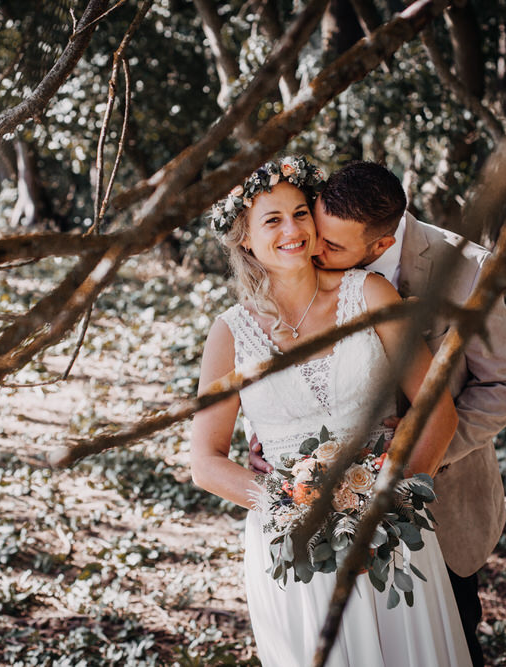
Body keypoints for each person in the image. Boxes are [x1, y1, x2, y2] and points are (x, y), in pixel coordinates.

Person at [190, 156, 472, 666]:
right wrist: (290, 509)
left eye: (300, 213)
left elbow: (438, 412)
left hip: (391, 529)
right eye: (272, 219)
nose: (293, 229)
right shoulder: (229, 334)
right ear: (245, 238)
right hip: (292, 546)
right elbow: (205, 461)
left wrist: (390, 504)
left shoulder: (371, 294)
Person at [249, 161, 506, 666]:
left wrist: (421, 452)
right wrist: (270, 431)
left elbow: (505, 381)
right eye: (317, 231)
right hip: (321, 503)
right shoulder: (309, 248)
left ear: (379, 247)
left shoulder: (466, 270)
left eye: (333, 247)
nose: (314, 249)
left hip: (444, 503)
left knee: (446, 640)